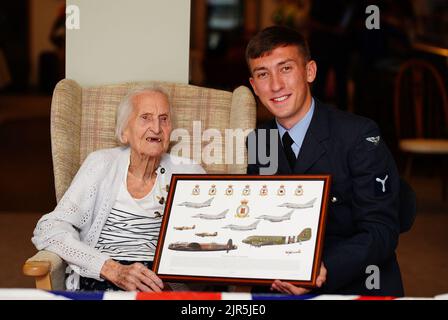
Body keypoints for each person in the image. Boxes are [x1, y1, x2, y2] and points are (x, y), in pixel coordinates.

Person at [246, 26, 403, 296]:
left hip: (352, 281)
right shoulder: (259, 140)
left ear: (310, 71)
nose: (275, 85)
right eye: (263, 74)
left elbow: (382, 230)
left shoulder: (360, 136)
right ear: (254, 87)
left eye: (285, 68)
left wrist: (325, 267)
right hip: (278, 283)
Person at [32, 87, 205, 291]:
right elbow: (48, 229)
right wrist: (109, 268)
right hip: (103, 277)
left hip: (158, 284)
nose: (157, 128)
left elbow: (208, 237)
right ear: (124, 132)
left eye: (164, 119)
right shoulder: (100, 164)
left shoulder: (190, 172)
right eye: (146, 118)